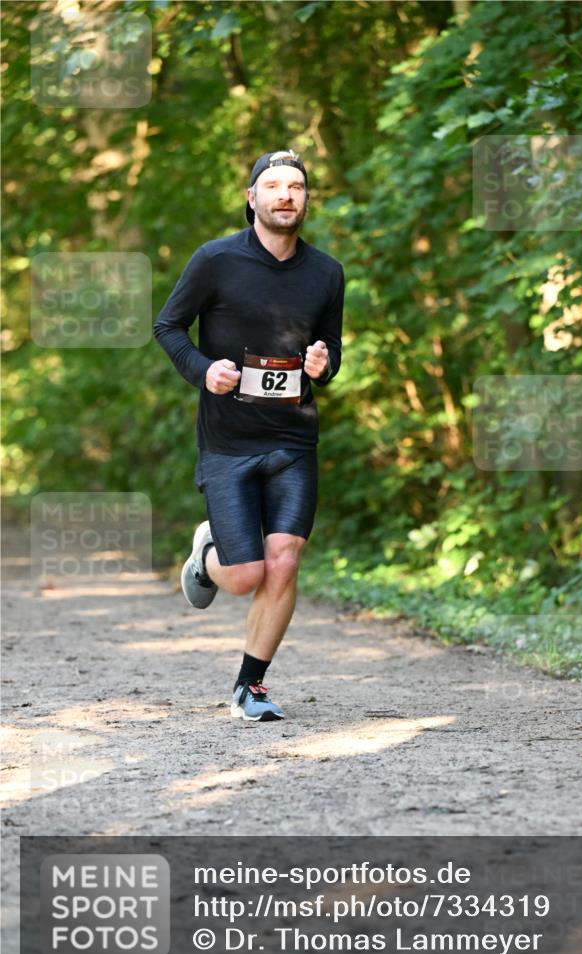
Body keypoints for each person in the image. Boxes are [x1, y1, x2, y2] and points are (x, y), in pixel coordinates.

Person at [153, 149, 345, 722]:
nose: (286, 195)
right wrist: (202, 369)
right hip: (229, 442)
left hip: (293, 441)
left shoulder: (326, 272)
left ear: (306, 199)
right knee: (244, 577)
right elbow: (168, 326)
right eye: (274, 185)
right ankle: (206, 556)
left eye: (296, 187)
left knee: (284, 561)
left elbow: (331, 351)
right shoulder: (215, 260)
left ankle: (250, 686)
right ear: (251, 197)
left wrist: (322, 364)